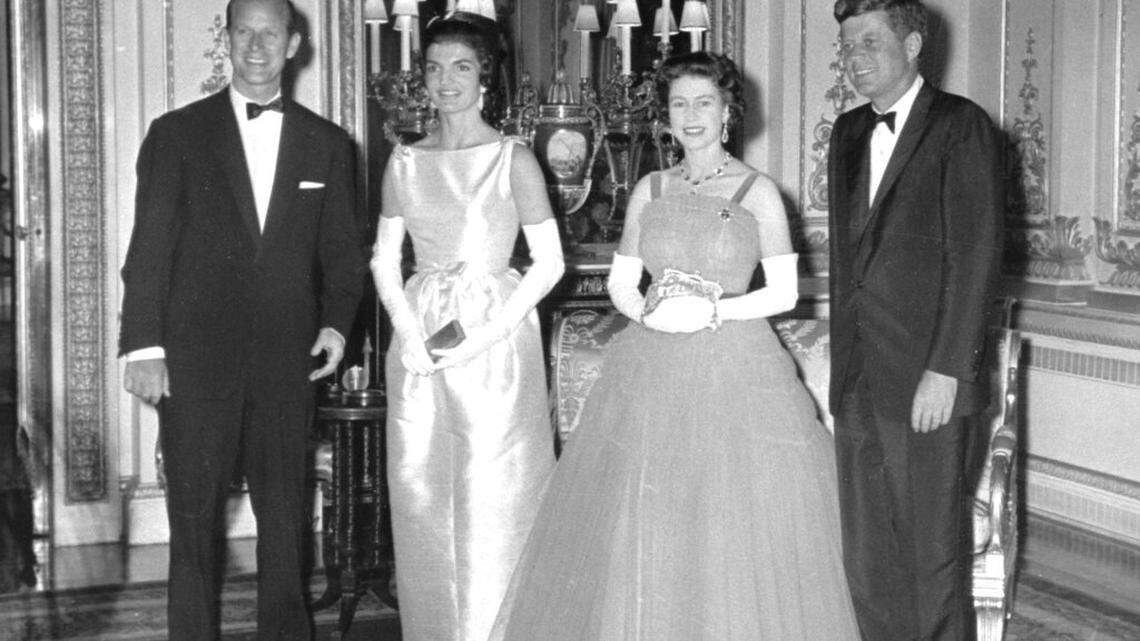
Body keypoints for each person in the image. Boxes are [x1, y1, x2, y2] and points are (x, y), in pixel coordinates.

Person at [489, 52, 860, 641]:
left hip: (736, 370)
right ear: (665, 115)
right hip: (650, 367)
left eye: (704, 103)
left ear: (729, 112)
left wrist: (709, 310)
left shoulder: (759, 193)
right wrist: (650, 313)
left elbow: (784, 293)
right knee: (647, 522)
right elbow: (620, 280)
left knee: (726, 525)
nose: (691, 116)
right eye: (679, 104)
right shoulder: (649, 188)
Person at [118, 0, 364, 638]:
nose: (256, 44)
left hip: (288, 363)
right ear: (226, 40)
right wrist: (141, 347)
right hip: (194, 361)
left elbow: (342, 253)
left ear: (294, 44)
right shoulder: (176, 134)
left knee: (285, 525)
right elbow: (148, 250)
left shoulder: (328, 144)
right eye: (244, 31)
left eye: (270, 32)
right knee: (193, 527)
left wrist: (337, 324)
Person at [368, 11, 565, 641]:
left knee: (492, 496)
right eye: (433, 67)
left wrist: (485, 334)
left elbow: (549, 263)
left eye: (461, 67)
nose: (445, 80)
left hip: (494, 340)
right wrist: (406, 332)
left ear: (486, 78)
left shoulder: (513, 158)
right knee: (421, 489)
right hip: (420, 340)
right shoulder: (403, 161)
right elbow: (382, 258)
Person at [827, 1, 1004, 640]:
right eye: (847, 46)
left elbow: (975, 255)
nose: (855, 59)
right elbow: (852, 264)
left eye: (871, 43)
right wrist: (838, 367)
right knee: (868, 560)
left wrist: (948, 369)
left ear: (912, 45)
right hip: (858, 380)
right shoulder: (847, 132)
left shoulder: (962, 126)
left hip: (929, 378)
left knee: (933, 561)